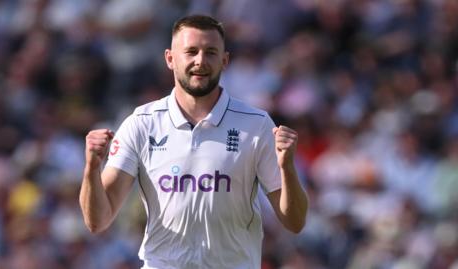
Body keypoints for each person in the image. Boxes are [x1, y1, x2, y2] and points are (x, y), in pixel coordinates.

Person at [79, 14, 308, 269]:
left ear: (225, 61)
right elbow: (97, 221)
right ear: (170, 59)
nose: (200, 61)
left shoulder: (256, 124)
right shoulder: (141, 123)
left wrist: (287, 167)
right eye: (191, 51)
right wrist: (91, 168)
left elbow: (295, 222)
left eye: (210, 52)